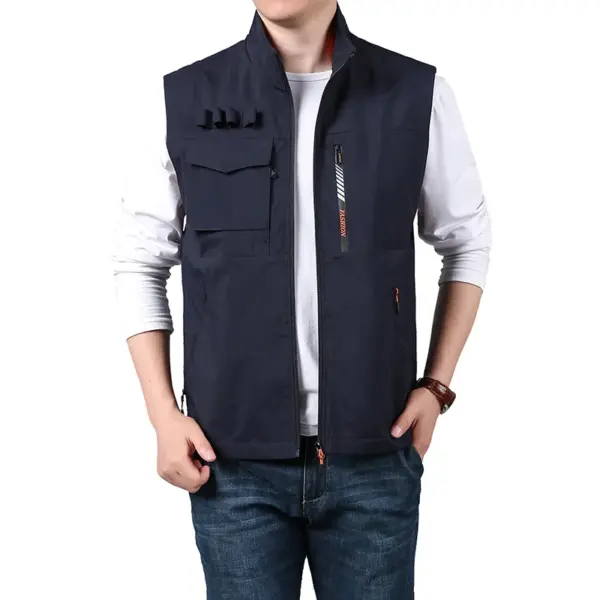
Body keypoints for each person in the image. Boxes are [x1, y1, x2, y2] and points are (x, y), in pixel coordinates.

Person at [112, 1, 491, 597]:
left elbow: (466, 241)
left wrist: (436, 386)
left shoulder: (415, 94)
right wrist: (163, 417)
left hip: (375, 455)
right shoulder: (185, 97)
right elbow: (140, 261)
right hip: (231, 465)